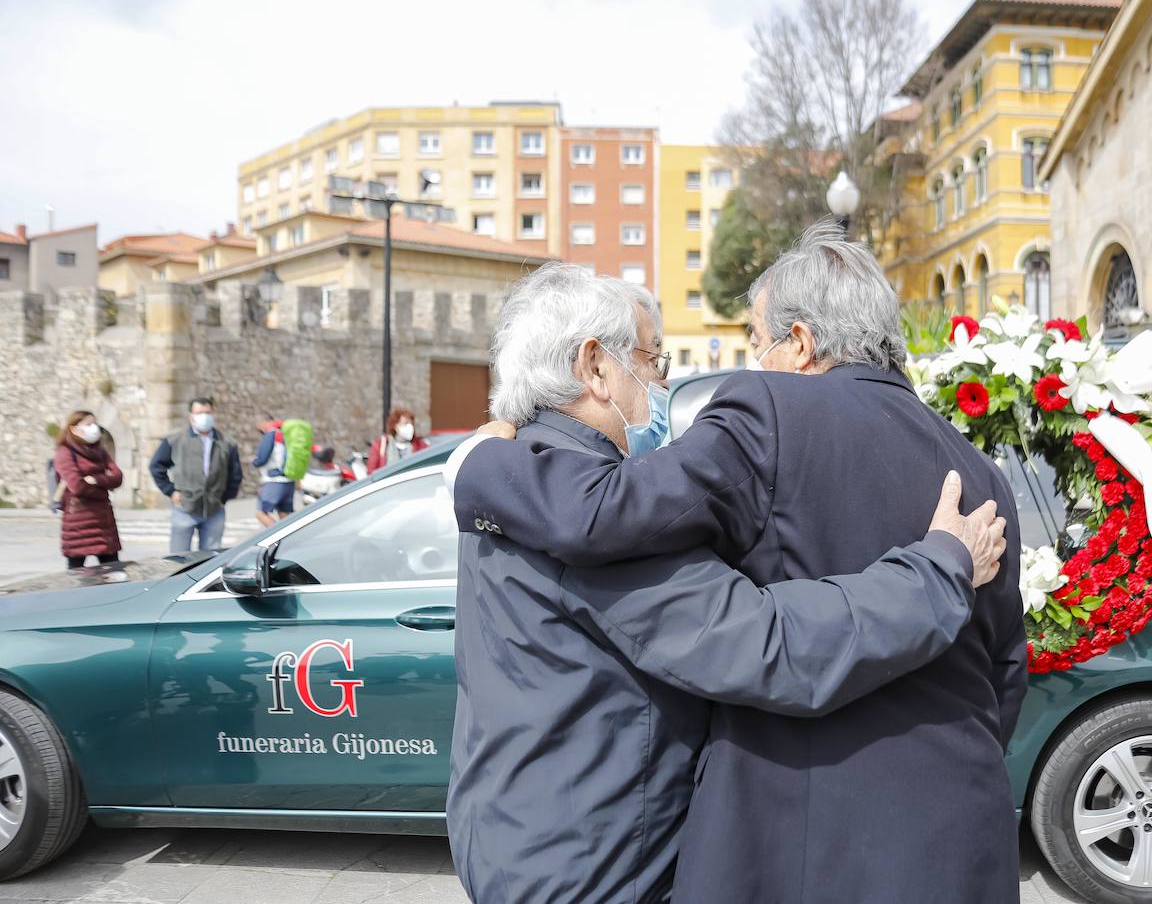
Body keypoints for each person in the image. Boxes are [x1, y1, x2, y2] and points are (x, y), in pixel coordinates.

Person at [450, 223, 1028, 903]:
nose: (662, 382)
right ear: (597, 368)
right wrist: (943, 567)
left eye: (756, 342)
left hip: (785, 836)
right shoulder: (980, 474)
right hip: (957, 831)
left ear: (802, 343)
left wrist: (481, 462)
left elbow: (629, 524)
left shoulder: (760, 417)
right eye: (653, 361)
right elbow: (1003, 675)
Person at [149, 396, 242, 552]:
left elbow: (235, 474)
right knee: (179, 559)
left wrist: (224, 498)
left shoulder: (226, 442)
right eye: (199, 413)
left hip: (214, 509)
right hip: (185, 506)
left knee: (211, 559)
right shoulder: (175, 439)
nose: (204, 417)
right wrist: (170, 491)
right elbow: (156, 466)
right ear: (190, 416)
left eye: (208, 412)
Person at [52, 410, 123, 568]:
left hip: (103, 522)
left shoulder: (100, 450)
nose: (94, 428)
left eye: (95, 424)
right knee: (76, 575)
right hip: (79, 523)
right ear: (74, 428)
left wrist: (96, 480)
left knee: (113, 573)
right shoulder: (65, 452)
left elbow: (118, 477)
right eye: (89, 424)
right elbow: (77, 486)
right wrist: (104, 487)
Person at [250, 413, 294, 526]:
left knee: (260, 513)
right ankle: (291, 540)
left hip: (274, 480)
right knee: (284, 515)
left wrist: (254, 461)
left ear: (262, 422)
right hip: (288, 481)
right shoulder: (284, 434)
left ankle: (280, 538)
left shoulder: (270, 434)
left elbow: (262, 459)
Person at [365, 407, 428, 474]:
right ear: (395, 426)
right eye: (405, 423)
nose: (410, 427)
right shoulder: (381, 445)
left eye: (411, 424)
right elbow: (371, 472)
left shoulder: (420, 445)